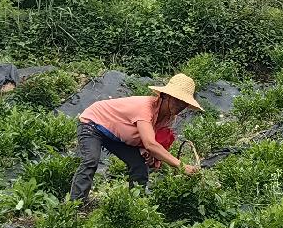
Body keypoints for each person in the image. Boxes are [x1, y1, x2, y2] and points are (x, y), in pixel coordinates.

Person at [70, 74, 204, 202]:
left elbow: (149, 140)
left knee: (139, 165)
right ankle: (75, 206)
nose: (181, 106)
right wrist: (181, 166)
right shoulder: (145, 108)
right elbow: (150, 144)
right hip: (93, 123)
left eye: (184, 103)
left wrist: (146, 151)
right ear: (165, 96)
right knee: (91, 160)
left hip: (115, 135)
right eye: (178, 100)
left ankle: (134, 207)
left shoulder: (169, 118)